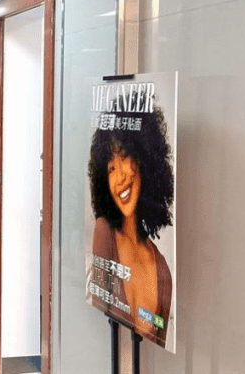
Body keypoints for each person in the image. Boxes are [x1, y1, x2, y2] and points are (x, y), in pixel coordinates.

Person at [86, 102, 174, 346]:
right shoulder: (104, 232)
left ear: (144, 160)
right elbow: (99, 315)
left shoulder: (162, 269)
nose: (119, 177)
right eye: (111, 168)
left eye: (124, 157)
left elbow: (157, 345)